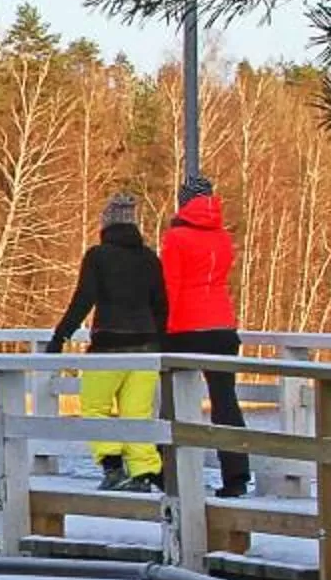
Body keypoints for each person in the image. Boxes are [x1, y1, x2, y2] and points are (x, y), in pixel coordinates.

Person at [45, 194, 168, 490]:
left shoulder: (98, 256)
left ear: (106, 226)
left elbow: (84, 299)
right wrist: (161, 342)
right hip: (146, 347)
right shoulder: (149, 257)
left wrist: (60, 335)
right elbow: (161, 304)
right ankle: (142, 474)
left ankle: (113, 468)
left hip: (109, 345)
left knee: (95, 408)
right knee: (137, 414)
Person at [161, 173, 251, 498]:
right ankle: (237, 476)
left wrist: (163, 326)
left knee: (171, 400)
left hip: (186, 326)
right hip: (223, 326)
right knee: (225, 402)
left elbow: (171, 285)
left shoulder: (176, 238)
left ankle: (166, 470)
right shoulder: (223, 238)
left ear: (183, 202)